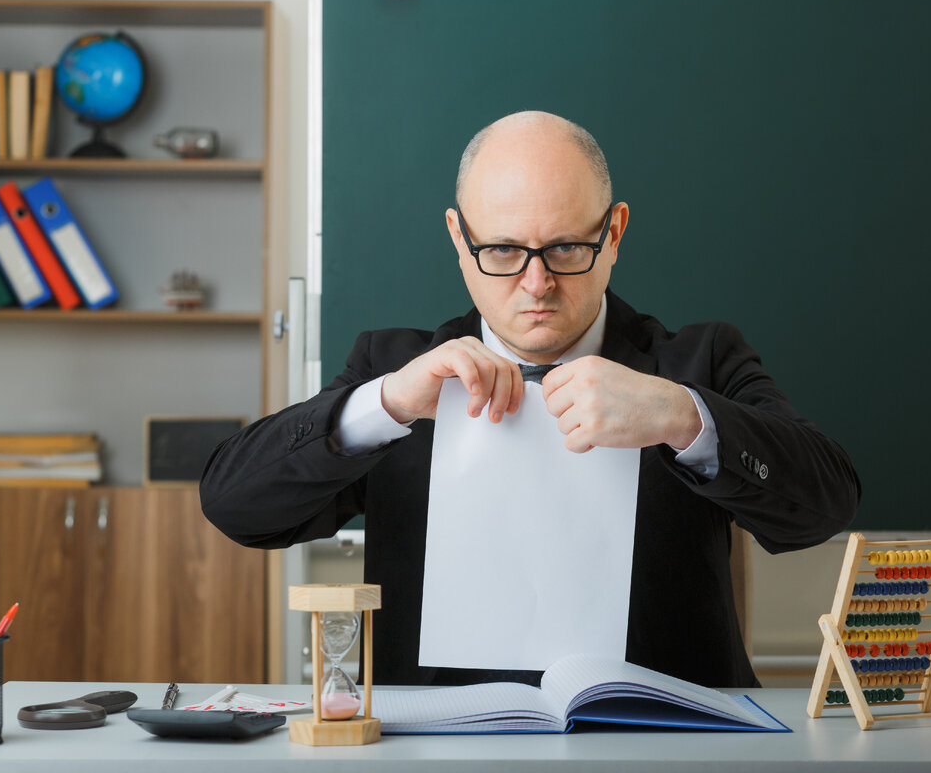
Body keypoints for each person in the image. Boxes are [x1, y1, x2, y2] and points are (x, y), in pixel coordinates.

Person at [201, 110, 860, 688]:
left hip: (666, 747)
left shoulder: (699, 362)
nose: (536, 282)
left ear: (615, 233)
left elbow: (822, 509)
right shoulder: (393, 370)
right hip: (440, 751)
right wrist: (386, 405)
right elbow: (236, 507)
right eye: (503, 250)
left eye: (568, 246)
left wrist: (682, 415)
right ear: (460, 240)